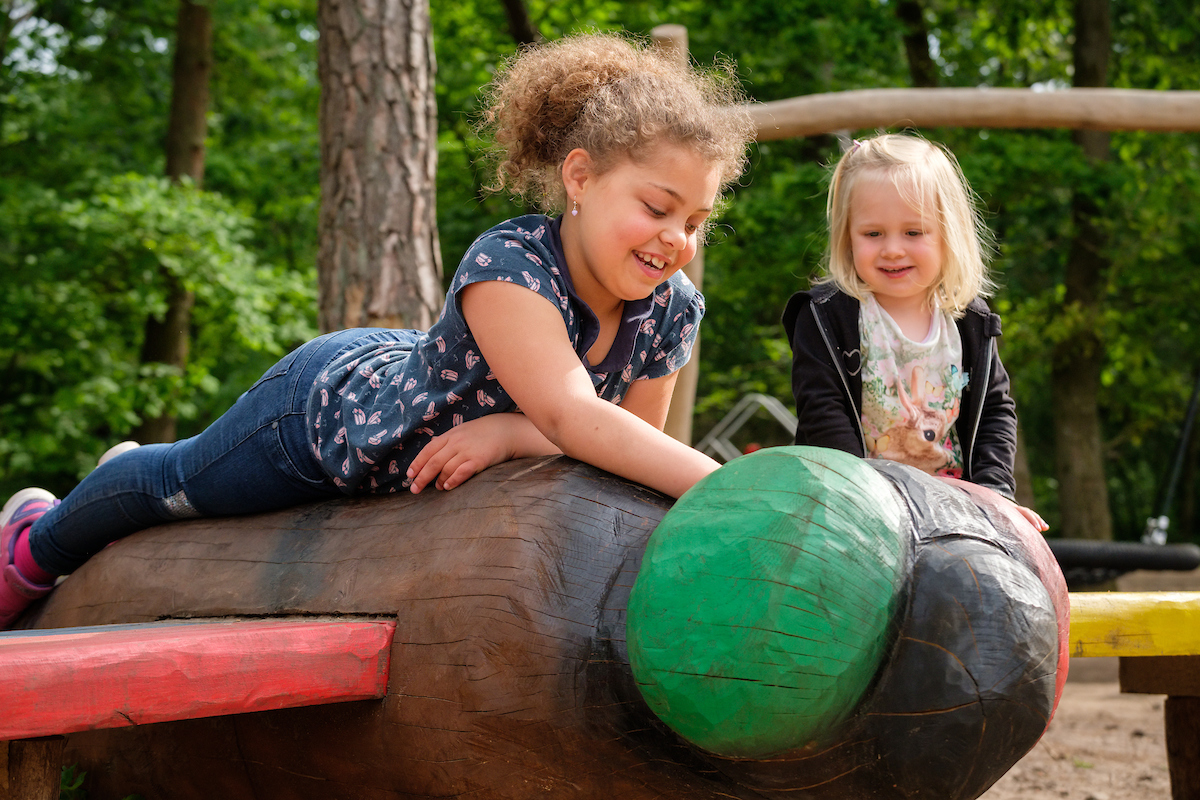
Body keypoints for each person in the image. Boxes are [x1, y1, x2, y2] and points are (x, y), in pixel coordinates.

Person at [0, 32, 757, 629]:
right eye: (657, 208)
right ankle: (33, 539)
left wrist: (506, 436)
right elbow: (573, 417)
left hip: (433, 400)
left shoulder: (673, 310)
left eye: (695, 221)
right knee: (179, 486)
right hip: (330, 419)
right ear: (580, 178)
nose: (675, 239)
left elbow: (628, 447)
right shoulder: (513, 266)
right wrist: (736, 493)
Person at [781, 132, 1047, 530]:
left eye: (913, 232)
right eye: (873, 234)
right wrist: (857, 496)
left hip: (953, 503)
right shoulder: (826, 316)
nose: (892, 249)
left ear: (947, 235)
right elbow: (823, 411)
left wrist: (994, 495)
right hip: (856, 503)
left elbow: (994, 411)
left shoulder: (968, 323)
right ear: (847, 236)